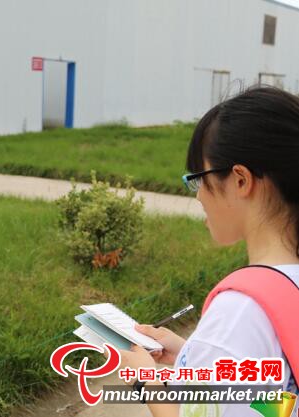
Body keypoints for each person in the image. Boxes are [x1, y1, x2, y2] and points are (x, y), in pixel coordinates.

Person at [117, 86, 299, 417]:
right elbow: (281, 400)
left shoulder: (239, 312)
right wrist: (192, 356)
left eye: (199, 178)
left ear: (241, 180)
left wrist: (146, 381)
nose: (199, 195)